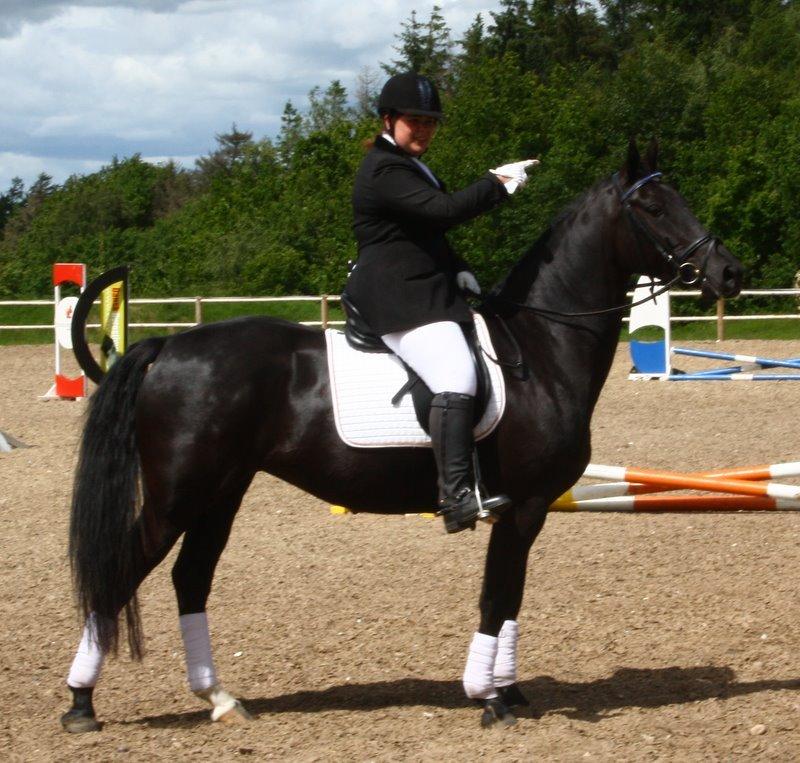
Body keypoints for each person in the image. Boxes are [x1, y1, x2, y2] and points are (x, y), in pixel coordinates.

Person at [345, 71, 537, 533]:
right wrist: (495, 184)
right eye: (416, 121)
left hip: (426, 287)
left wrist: (458, 267)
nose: (425, 130)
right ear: (388, 120)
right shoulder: (384, 169)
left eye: (431, 122)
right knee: (455, 374)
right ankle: (454, 496)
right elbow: (443, 212)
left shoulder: (413, 167)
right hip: (396, 295)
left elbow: (423, 232)